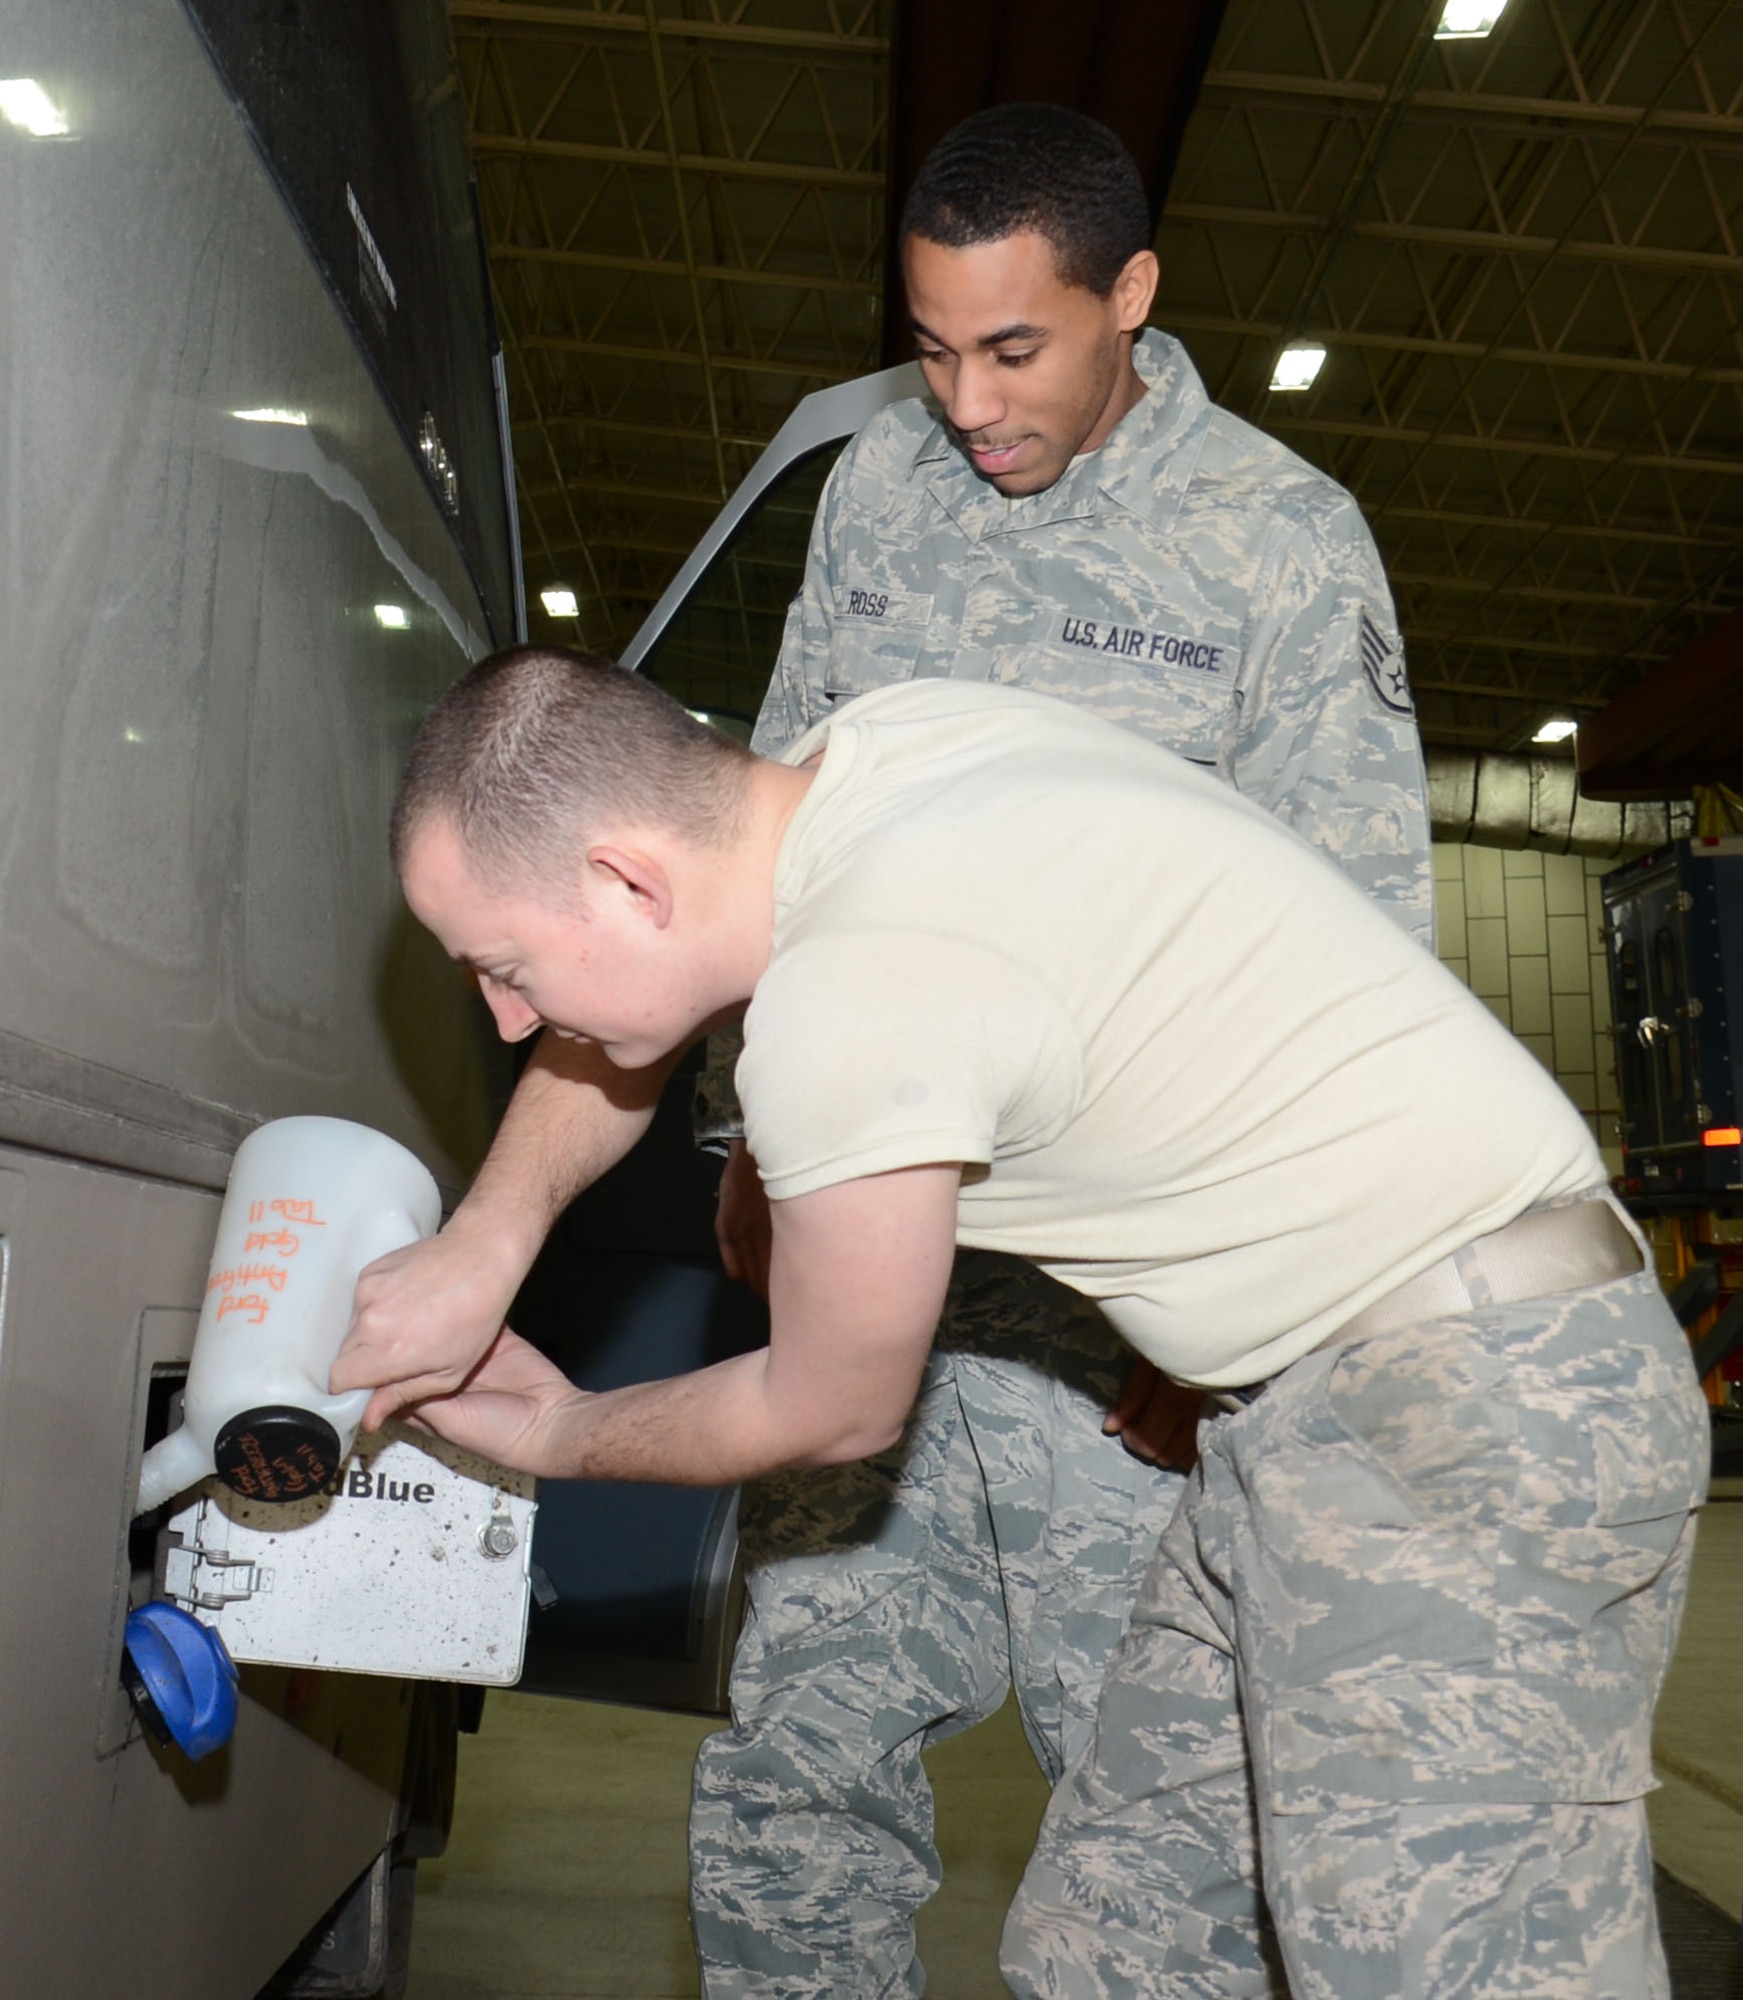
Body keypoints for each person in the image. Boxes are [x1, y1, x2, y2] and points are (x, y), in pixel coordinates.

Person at [340, 101, 1433, 1997]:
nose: (967, 403)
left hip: (1121, 1342)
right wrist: (573, 1210)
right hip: (869, 1280)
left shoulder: (1279, 545)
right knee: (793, 1793)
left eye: (1013, 349)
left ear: (1135, 298)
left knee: (1158, 1848)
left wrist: (1252, 1345)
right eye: (930, 349)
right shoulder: (884, 493)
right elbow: (711, 888)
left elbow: (1366, 980)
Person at [346, 647, 1705, 2000]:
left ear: (627, 875)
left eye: (505, 963)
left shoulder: (850, 997)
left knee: (1448, 1964)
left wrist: (558, 1429)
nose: (510, 1017)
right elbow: (645, 1014)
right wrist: (492, 1236)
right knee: (1120, 1947)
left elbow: (830, 1406)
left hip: (1463, 1415)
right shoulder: (891, 742)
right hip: (1313, 1415)